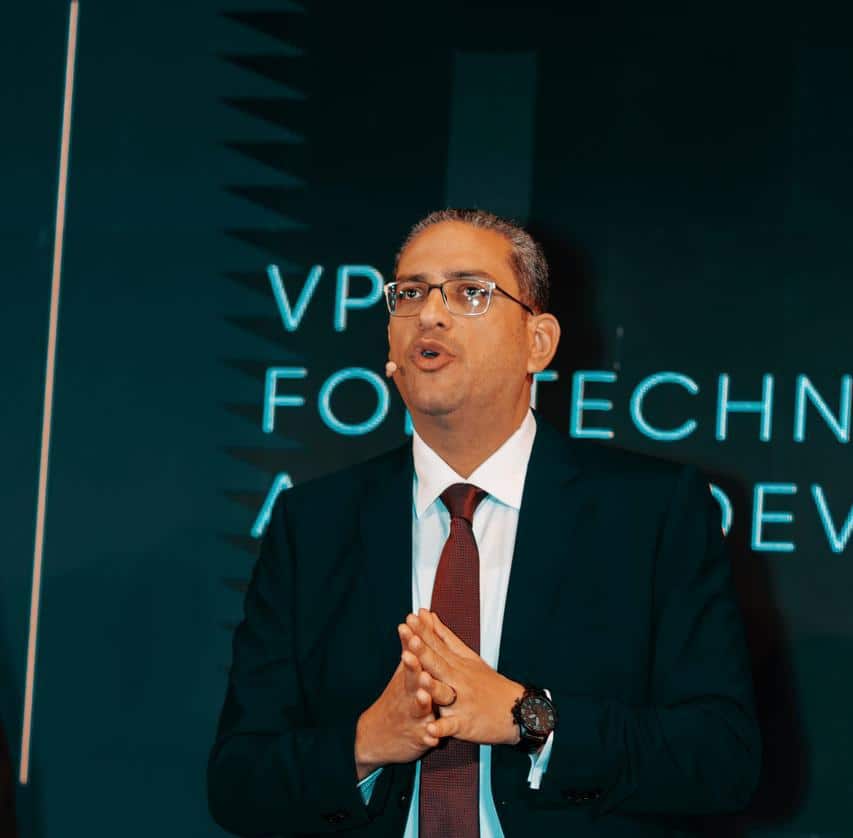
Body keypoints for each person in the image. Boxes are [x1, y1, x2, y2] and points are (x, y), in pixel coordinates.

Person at [207, 208, 761, 836]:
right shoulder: (313, 524)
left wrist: (526, 717)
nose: (430, 315)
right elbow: (237, 782)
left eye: (470, 292)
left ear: (538, 343)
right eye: (410, 294)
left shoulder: (650, 512)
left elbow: (722, 757)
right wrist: (365, 743)